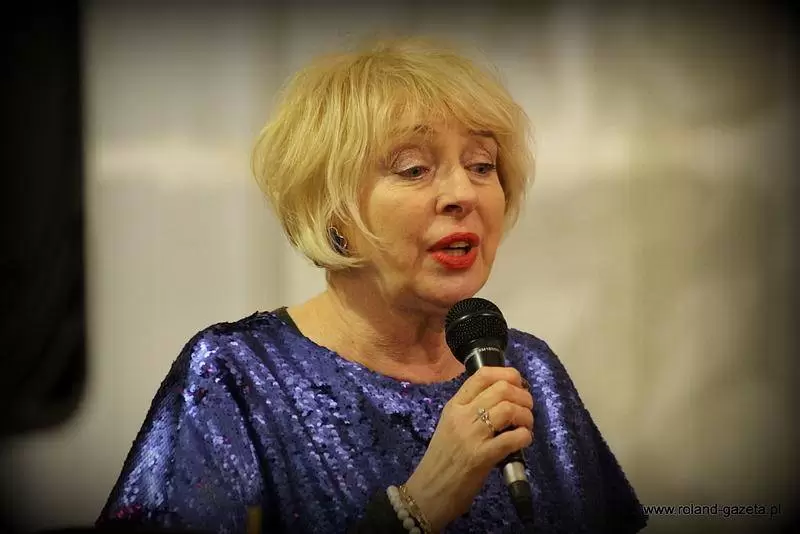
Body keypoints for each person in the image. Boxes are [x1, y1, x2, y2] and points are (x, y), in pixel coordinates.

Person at [96, 36, 647, 534]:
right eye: (414, 169)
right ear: (332, 210)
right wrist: (418, 506)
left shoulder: (530, 372)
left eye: (482, 165)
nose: (463, 194)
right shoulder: (235, 376)